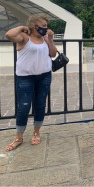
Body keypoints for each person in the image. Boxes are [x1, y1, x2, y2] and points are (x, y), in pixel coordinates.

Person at [5, 14, 57, 151]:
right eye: (43, 26)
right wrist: (23, 27)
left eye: (46, 26)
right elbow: (9, 35)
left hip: (44, 75)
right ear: (35, 26)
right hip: (25, 77)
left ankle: (36, 133)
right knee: (24, 106)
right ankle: (19, 137)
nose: (46, 28)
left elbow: (53, 54)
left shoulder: (45, 39)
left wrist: (50, 39)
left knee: (40, 104)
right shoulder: (24, 38)